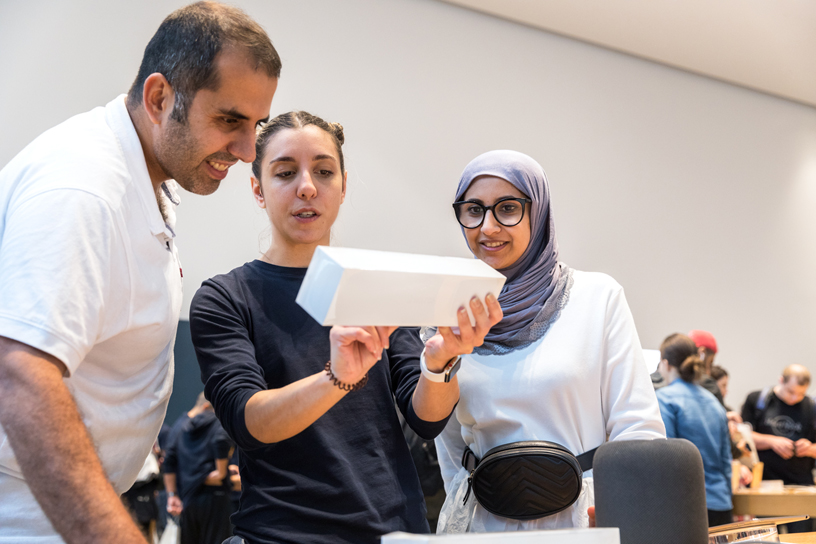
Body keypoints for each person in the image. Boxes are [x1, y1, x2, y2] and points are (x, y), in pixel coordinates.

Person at [0, 3, 280, 542]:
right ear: (159, 98)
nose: (248, 151)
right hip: (27, 515)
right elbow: (22, 377)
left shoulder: (143, 182)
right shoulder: (83, 189)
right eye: (229, 121)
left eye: (257, 124)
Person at [189, 111, 502, 543]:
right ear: (258, 189)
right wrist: (336, 379)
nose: (307, 187)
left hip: (393, 529)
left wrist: (442, 361)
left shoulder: (377, 282)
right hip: (283, 533)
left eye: (323, 171)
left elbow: (427, 419)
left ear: (343, 185)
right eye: (285, 172)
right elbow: (249, 421)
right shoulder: (226, 298)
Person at [434, 150, 666, 533]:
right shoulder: (450, 313)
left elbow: (638, 427)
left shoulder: (597, 297)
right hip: (483, 524)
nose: (488, 227)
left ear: (538, 212)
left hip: (583, 521)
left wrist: (628, 511)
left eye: (508, 208)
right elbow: (449, 444)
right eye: (473, 210)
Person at [655, 333, 732, 527]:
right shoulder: (714, 402)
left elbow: (668, 458)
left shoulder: (665, 399)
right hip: (721, 504)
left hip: (686, 506)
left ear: (665, 364)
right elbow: (726, 462)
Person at [164, 398, 234, 544]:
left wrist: (172, 494)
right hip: (215, 497)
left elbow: (169, 461)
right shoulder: (217, 421)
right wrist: (222, 472)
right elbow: (222, 439)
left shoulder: (182, 426)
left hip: (189, 497)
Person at [741, 364, 816, 485]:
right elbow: (742, 437)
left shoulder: (812, 407)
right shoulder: (758, 400)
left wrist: (809, 449)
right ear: (781, 380)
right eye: (791, 391)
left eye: (801, 394)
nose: (794, 398)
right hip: (762, 482)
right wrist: (771, 442)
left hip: (801, 483)